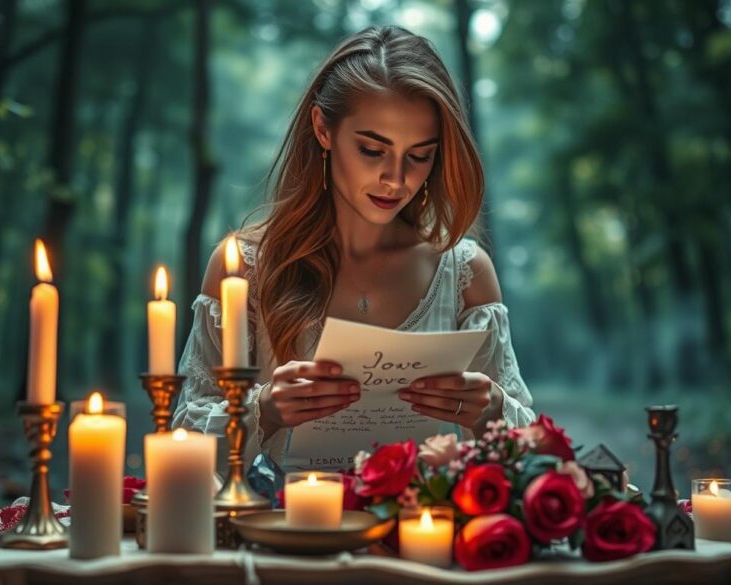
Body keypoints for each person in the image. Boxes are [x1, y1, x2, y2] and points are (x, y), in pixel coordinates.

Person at [172, 25, 534, 479]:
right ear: (323, 129)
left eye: (419, 156)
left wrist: (492, 410)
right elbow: (182, 441)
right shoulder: (244, 267)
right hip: (282, 540)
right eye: (371, 150)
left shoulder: (464, 272)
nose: (395, 179)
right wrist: (263, 409)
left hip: (419, 538)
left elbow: (529, 453)